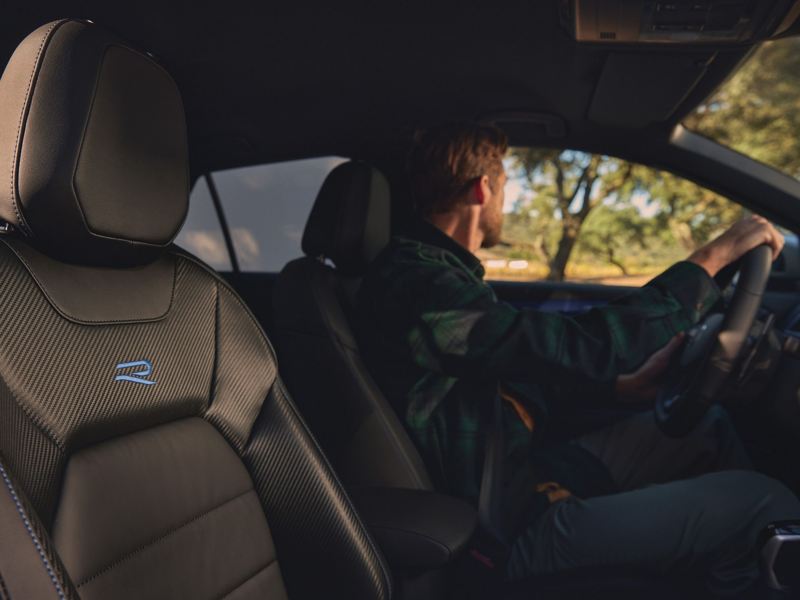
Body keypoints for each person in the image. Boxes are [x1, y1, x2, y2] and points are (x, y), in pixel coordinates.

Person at [354, 122, 800, 596]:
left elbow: (512, 367)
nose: (507, 199)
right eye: (505, 185)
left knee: (705, 427)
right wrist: (710, 260)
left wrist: (620, 389)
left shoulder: (437, 274)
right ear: (482, 188)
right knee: (763, 504)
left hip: (523, 474)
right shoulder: (417, 283)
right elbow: (579, 347)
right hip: (504, 529)